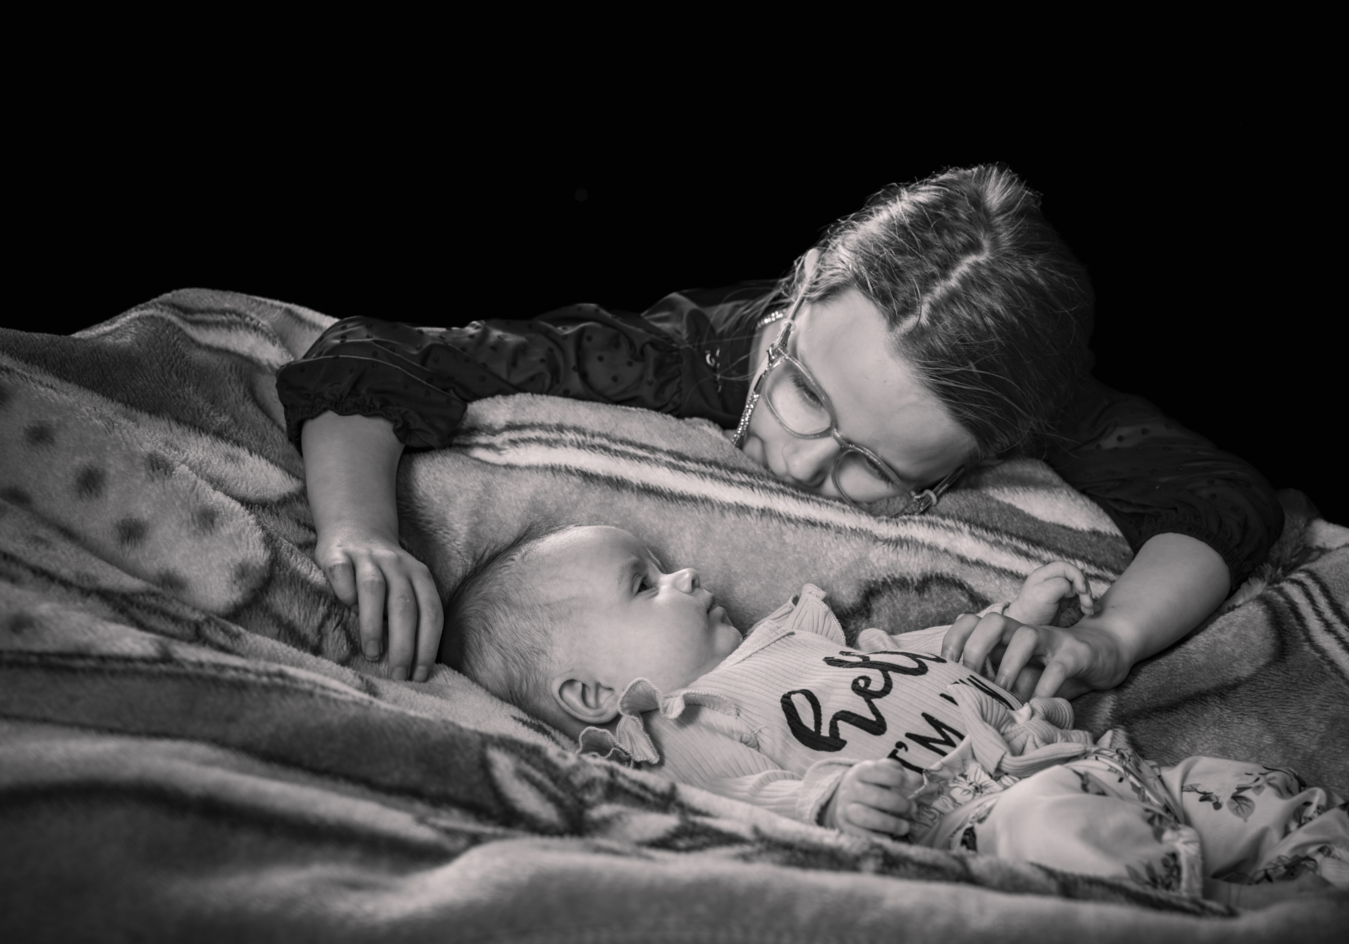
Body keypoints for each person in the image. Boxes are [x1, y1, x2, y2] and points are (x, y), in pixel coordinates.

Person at [276, 164, 1285, 685]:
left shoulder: (1041, 408)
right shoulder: (687, 351)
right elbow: (379, 355)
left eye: (872, 465)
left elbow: (1218, 502)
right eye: (804, 392)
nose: (797, 462)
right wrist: (361, 531)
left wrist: (1109, 638)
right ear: (798, 295)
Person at [437, 523, 1349, 908]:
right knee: (1056, 832)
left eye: (666, 563)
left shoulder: (793, 637)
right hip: (978, 816)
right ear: (592, 695)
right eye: (644, 583)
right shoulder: (678, 723)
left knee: (1235, 790)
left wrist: (1011, 621)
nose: (686, 574)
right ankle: (1200, 931)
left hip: (1095, 759)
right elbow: (735, 800)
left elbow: (916, 658)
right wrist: (827, 802)